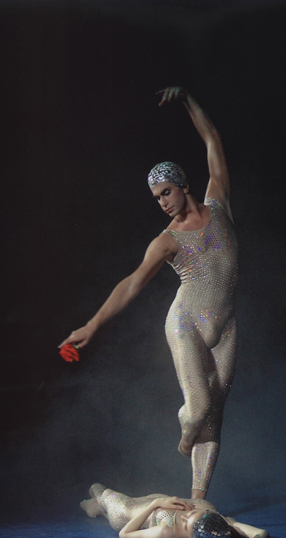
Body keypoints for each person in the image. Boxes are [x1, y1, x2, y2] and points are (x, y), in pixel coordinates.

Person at [59, 87, 238, 500]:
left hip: (226, 328)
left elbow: (213, 140)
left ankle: (197, 498)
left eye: (166, 192)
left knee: (214, 417)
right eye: (156, 198)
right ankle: (184, 430)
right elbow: (132, 283)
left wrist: (188, 100)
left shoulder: (220, 204)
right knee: (197, 411)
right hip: (186, 323)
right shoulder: (166, 241)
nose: (161, 202)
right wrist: (92, 323)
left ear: (183, 184)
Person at [81, 483, 269, 538]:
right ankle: (96, 506)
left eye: (186, 524)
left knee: (100, 490)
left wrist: (157, 504)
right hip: (159, 499)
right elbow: (260, 532)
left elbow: (124, 534)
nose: (185, 516)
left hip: (131, 513)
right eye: (192, 513)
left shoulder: (165, 533)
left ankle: (96, 505)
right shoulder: (221, 523)